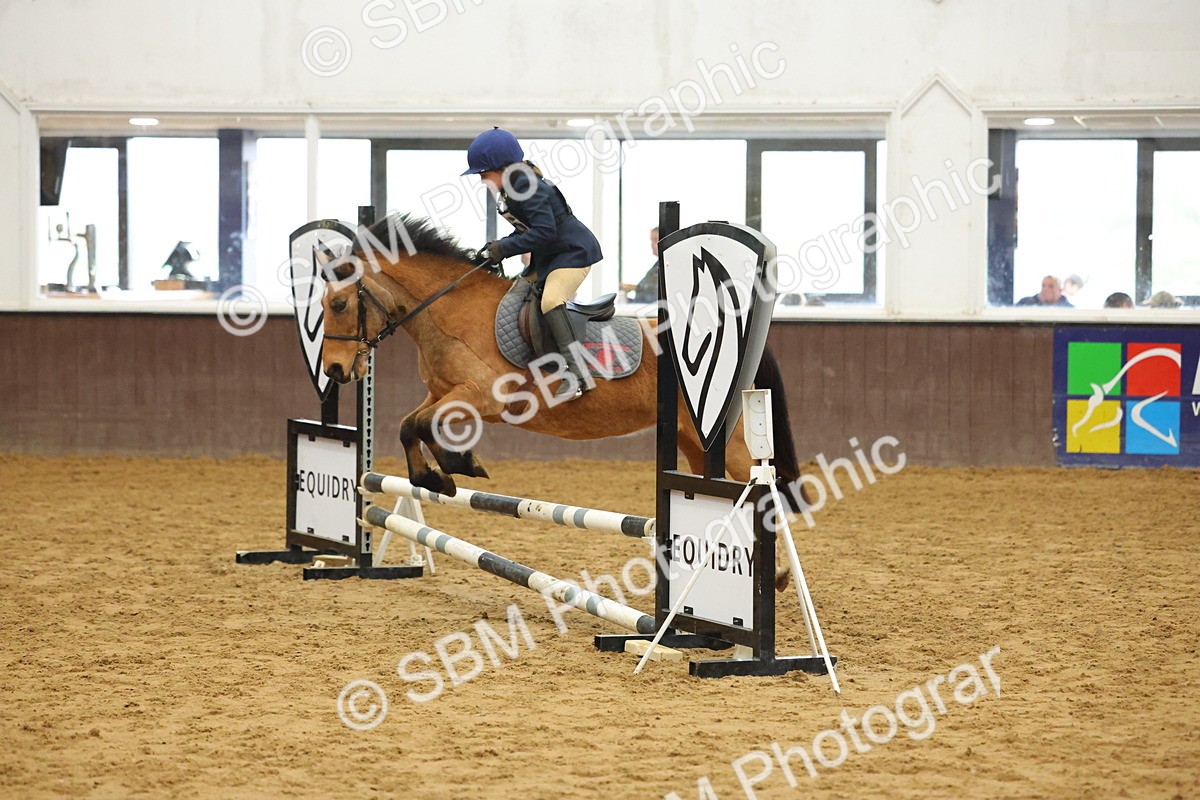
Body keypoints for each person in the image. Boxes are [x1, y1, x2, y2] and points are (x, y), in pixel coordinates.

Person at [465, 128, 602, 401]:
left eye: (484, 174)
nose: (482, 180)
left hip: (573, 254)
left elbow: (544, 233)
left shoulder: (528, 187)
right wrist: (497, 247)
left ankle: (577, 375)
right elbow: (527, 231)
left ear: (501, 168)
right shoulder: (514, 188)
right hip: (550, 257)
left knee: (551, 300)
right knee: (514, 293)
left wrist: (504, 249)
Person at [621, 227, 660, 303]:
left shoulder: (667, 266)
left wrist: (635, 288)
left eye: (655, 240)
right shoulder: (656, 266)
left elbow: (657, 291)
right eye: (651, 240)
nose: (652, 244)